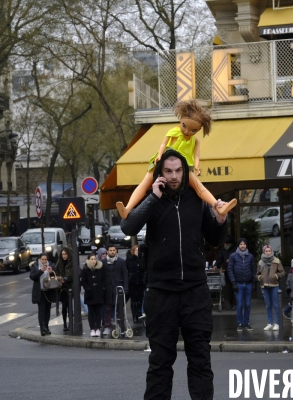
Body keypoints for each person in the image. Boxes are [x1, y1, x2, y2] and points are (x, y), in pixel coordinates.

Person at [119, 148, 228, 399]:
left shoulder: (197, 199)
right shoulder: (152, 199)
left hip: (195, 292)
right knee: (160, 363)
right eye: (168, 171)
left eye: (178, 170)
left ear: (186, 172)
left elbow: (213, 238)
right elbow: (128, 226)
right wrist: (153, 198)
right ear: (160, 173)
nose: (174, 176)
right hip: (161, 293)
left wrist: (221, 221)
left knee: (201, 360)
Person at [116, 100, 236, 219]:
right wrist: (159, 156)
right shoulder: (174, 131)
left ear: (199, 130)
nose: (187, 131)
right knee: (145, 183)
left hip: (184, 166)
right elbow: (163, 144)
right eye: (184, 126)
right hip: (164, 162)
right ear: (181, 119)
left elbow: (197, 155)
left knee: (199, 187)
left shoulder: (195, 141)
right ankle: (127, 209)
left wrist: (196, 166)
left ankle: (217, 205)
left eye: (193, 130)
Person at [228, 237, 256, 331]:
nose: (242, 245)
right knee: (239, 304)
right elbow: (230, 270)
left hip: (248, 283)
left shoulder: (250, 256)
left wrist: (254, 282)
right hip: (238, 284)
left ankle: (246, 323)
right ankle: (240, 323)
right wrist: (233, 282)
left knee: (248, 304)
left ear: (246, 245)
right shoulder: (233, 256)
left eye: (244, 244)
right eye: (240, 244)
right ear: (238, 245)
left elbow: (253, 269)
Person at [256, 244, 285, 331]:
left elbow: (283, 272)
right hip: (264, 286)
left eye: (269, 251)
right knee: (268, 305)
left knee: (276, 305)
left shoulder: (276, 261)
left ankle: (277, 323)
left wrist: (276, 276)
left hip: (274, 285)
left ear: (271, 251)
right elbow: (257, 274)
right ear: (263, 252)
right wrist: (259, 278)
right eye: (266, 251)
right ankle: (270, 323)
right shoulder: (260, 262)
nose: (268, 253)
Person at [103, 245, 128, 336]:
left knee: (119, 309)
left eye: (114, 250)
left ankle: (121, 327)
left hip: (118, 288)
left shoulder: (121, 262)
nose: (112, 252)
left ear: (116, 251)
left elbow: (125, 275)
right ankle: (107, 327)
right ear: (107, 251)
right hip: (108, 289)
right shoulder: (103, 262)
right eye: (110, 250)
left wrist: (125, 288)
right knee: (107, 309)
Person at [30, 253, 57, 336]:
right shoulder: (35, 266)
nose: (44, 261)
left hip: (48, 290)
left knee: (48, 309)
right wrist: (41, 270)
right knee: (42, 309)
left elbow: (55, 276)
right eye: (43, 259)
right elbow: (32, 277)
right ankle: (42, 328)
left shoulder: (51, 265)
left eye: (45, 259)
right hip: (40, 291)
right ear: (39, 259)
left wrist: (51, 272)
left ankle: (47, 326)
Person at [81, 254, 106, 337]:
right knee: (91, 313)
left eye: (94, 259)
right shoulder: (85, 269)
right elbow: (83, 281)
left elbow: (103, 280)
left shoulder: (100, 268)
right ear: (88, 260)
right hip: (90, 294)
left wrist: (102, 289)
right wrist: (88, 289)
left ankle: (98, 328)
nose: (93, 261)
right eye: (91, 259)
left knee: (98, 312)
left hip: (99, 293)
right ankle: (92, 329)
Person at [215, 235, 236, 310]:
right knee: (228, 289)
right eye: (225, 244)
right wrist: (216, 265)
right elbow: (219, 258)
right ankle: (230, 303)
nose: (226, 245)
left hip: (234, 271)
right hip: (226, 271)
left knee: (235, 288)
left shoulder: (235, 249)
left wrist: (231, 260)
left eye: (228, 244)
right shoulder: (222, 249)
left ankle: (235, 304)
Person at [55, 247, 73, 332]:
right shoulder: (59, 263)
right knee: (64, 307)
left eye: (65, 254)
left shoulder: (72, 263)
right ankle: (65, 324)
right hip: (61, 288)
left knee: (69, 306)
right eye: (62, 254)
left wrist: (66, 278)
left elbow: (73, 274)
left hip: (69, 287)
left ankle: (70, 323)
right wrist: (60, 279)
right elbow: (56, 273)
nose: (64, 256)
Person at [126, 245, 144, 323]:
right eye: (136, 250)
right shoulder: (129, 260)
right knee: (133, 299)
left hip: (140, 281)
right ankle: (134, 315)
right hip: (132, 282)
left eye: (138, 250)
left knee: (140, 298)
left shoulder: (142, 259)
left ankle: (139, 314)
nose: (137, 252)